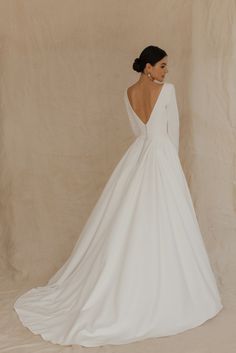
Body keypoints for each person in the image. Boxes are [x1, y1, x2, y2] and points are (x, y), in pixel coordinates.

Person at [14, 45, 223, 347]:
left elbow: (138, 132)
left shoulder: (127, 93)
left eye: (166, 67)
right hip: (162, 157)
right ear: (148, 67)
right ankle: (168, 290)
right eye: (162, 66)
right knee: (165, 221)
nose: (167, 71)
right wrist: (172, 170)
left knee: (127, 219)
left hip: (137, 157)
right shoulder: (168, 91)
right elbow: (172, 133)